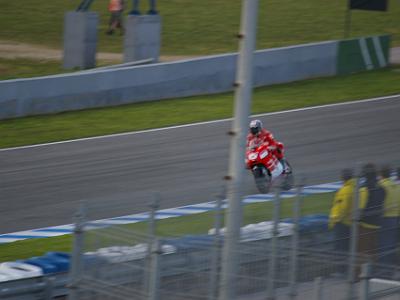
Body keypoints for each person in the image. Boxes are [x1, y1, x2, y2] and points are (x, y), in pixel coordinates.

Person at [358, 163, 385, 261]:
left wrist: (357, 219)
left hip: (365, 224)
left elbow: (360, 208)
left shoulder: (364, 188)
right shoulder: (381, 187)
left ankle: (362, 274)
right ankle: (372, 272)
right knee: (373, 250)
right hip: (377, 223)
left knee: (362, 252)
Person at [329, 168, 355, 254]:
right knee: (346, 248)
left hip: (342, 224)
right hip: (350, 222)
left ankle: (341, 267)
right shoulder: (355, 187)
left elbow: (342, 208)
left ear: (342, 178)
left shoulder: (345, 190)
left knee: (340, 250)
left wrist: (335, 220)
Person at [378, 165, 400, 265]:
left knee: (384, 244)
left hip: (385, 217)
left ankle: (383, 266)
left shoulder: (381, 185)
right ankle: (390, 265)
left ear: (381, 175)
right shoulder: (395, 185)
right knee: (391, 243)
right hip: (395, 217)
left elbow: (379, 203)